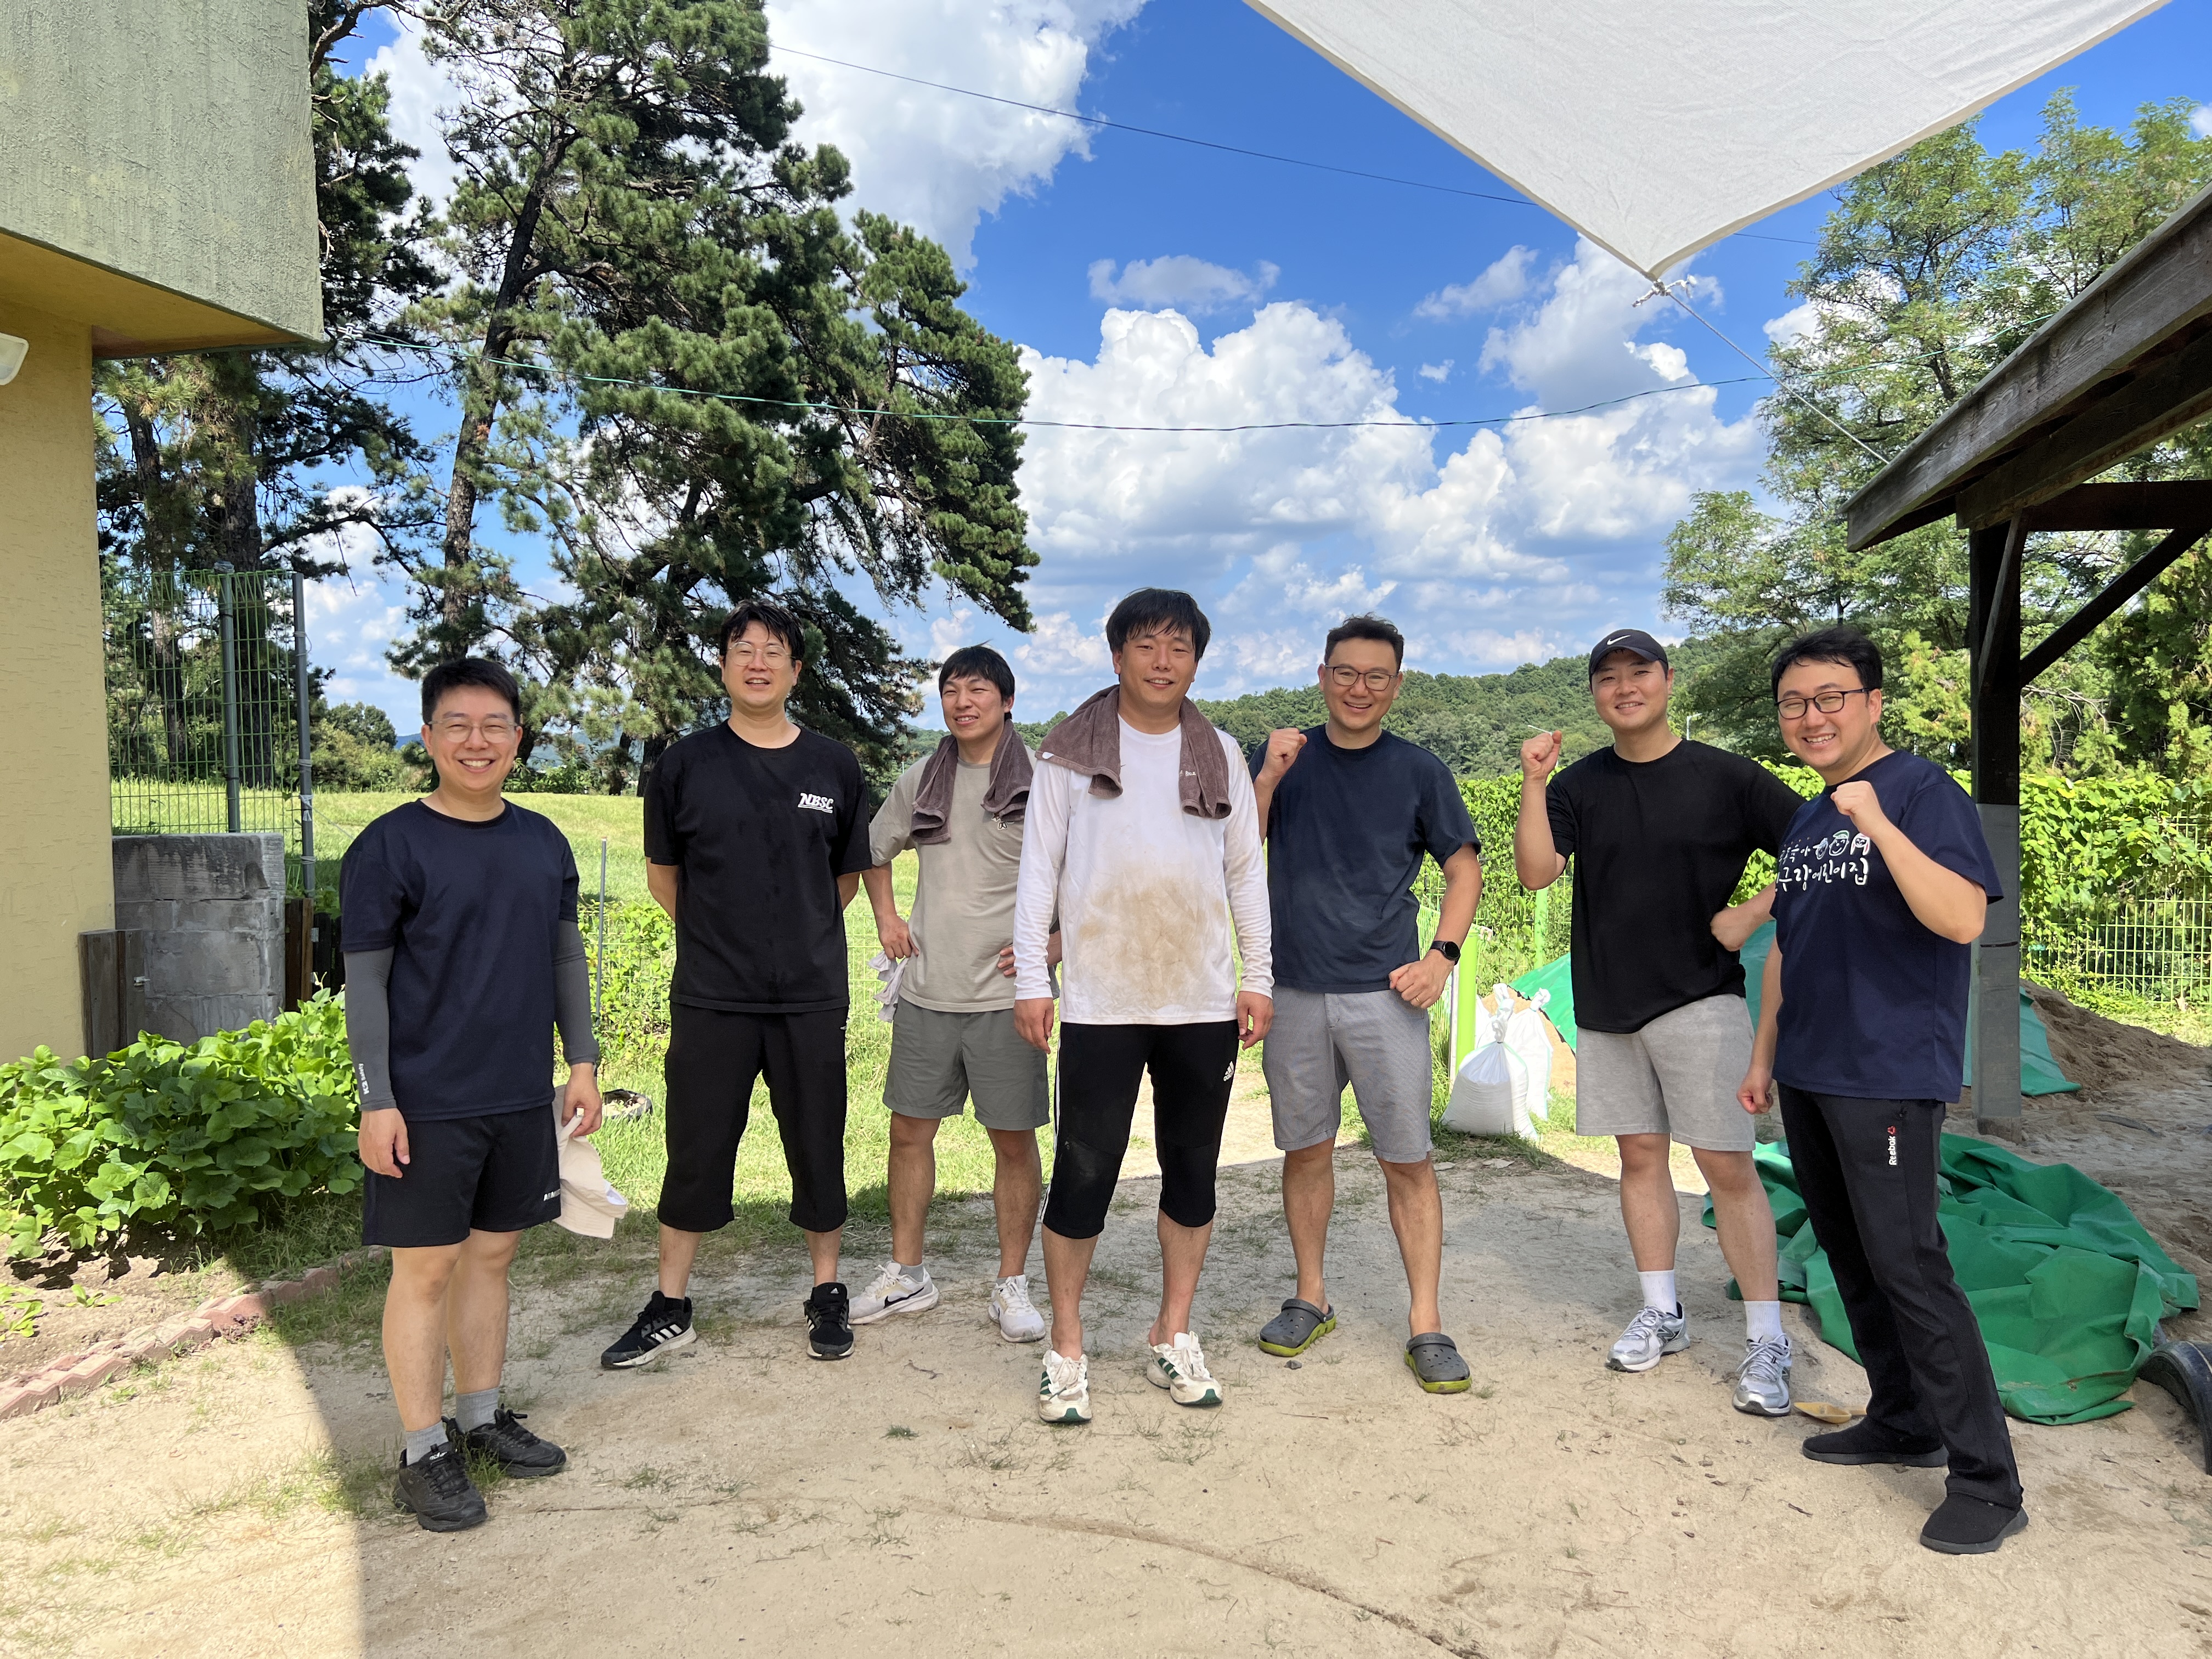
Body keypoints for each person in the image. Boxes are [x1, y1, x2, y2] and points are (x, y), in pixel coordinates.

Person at [1737, 626, 2025, 1556]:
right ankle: (1902, 1418)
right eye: (1793, 702)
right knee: (1853, 1255)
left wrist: (1879, 825)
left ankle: (1988, 1481)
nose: (1810, 716)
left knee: (1910, 1264)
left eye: (1830, 697)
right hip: (1810, 1068)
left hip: (1888, 1071)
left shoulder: (1917, 792)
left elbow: (1963, 917)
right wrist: (1763, 1055)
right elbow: (1786, 946)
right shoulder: (1809, 816)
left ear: (1871, 702)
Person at [1513, 627, 1805, 1416]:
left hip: (1702, 1001)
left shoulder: (1728, 777)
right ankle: (1662, 1312)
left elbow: (1823, 845)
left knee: (1727, 1167)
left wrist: (1754, 910)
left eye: (1639, 672)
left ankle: (1767, 1339)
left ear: (1668, 681)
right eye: (1607, 677)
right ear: (1594, 695)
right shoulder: (1577, 785)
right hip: (1608, 1007)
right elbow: (1537, 873)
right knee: (1639, 1159)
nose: (1624, 687)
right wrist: (1534, 783)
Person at [345, 657, 600, 1533]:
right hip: (424, 1103)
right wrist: (377, 1097)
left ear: (518, 738)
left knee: (493, 1258)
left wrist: (582, 1062)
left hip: (518, 1094)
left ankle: (481, 1418)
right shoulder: (389, 846)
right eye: (457, 724)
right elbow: (366, 985)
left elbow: (565, 958)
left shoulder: (543, 842)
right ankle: (423, 1452)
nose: (477, 741)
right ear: (428, 737)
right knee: (426, 1271)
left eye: (495, 725)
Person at [1012, 588, 1273, 1424]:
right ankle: (1067, 1345)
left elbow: (1244, 869)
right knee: (1082, 1177)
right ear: (1117, 655)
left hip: (1200, 998)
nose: (1164, 662)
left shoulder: (1219, 752)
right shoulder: (1069, 754)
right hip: (1101, 1001)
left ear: (1197, 661)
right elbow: (1039, 872)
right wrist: (1031, 980)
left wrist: (1258, 976)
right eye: (1147, 645)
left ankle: (1173, 1332)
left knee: (1192, 1174)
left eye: (1180, 648)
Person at [601, 599, 870, 1369]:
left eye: (774, 651)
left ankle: (826, 1291)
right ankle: (670, 1304)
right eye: (743, 649)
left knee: (817, 1144)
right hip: (712, 994)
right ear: (722, 666)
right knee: (694, 1148)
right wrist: (724, 940)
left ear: (796, 670)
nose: (758, 662)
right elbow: (664, 876)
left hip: (810, 995)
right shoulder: (685, 764)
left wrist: (794, 937)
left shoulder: (834, 765)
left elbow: (845, 881)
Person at [1248, 615, 1483, 1393]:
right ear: (1322, 677)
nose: (1359, 688)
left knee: (1406, 1159)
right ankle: (1310, 1296)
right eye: (1345, 673)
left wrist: (1441, 958)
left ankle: (1426, 1322)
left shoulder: (1420, 771)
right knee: (1306, 1150)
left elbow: (1463, 870)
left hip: (1387, 994)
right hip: (1294, 990)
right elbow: (1236, 852)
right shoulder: (1283, 759)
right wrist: (1268, 778)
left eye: (1376, 676)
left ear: (1397, 685)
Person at [854, 645, 1059, 1342]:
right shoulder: (923, 777)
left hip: (1009, 997)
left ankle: (1012, 1285)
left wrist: (1051, 950)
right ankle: (907, 1274)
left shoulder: (1044, 783)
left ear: (1008, 701)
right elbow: (874, 849)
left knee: (1013, 1141)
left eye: (978, 691)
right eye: (951, 691)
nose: (963, 703)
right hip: (928, 990)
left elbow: (1086, 878)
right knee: (909, 1132)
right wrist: (887, 917)